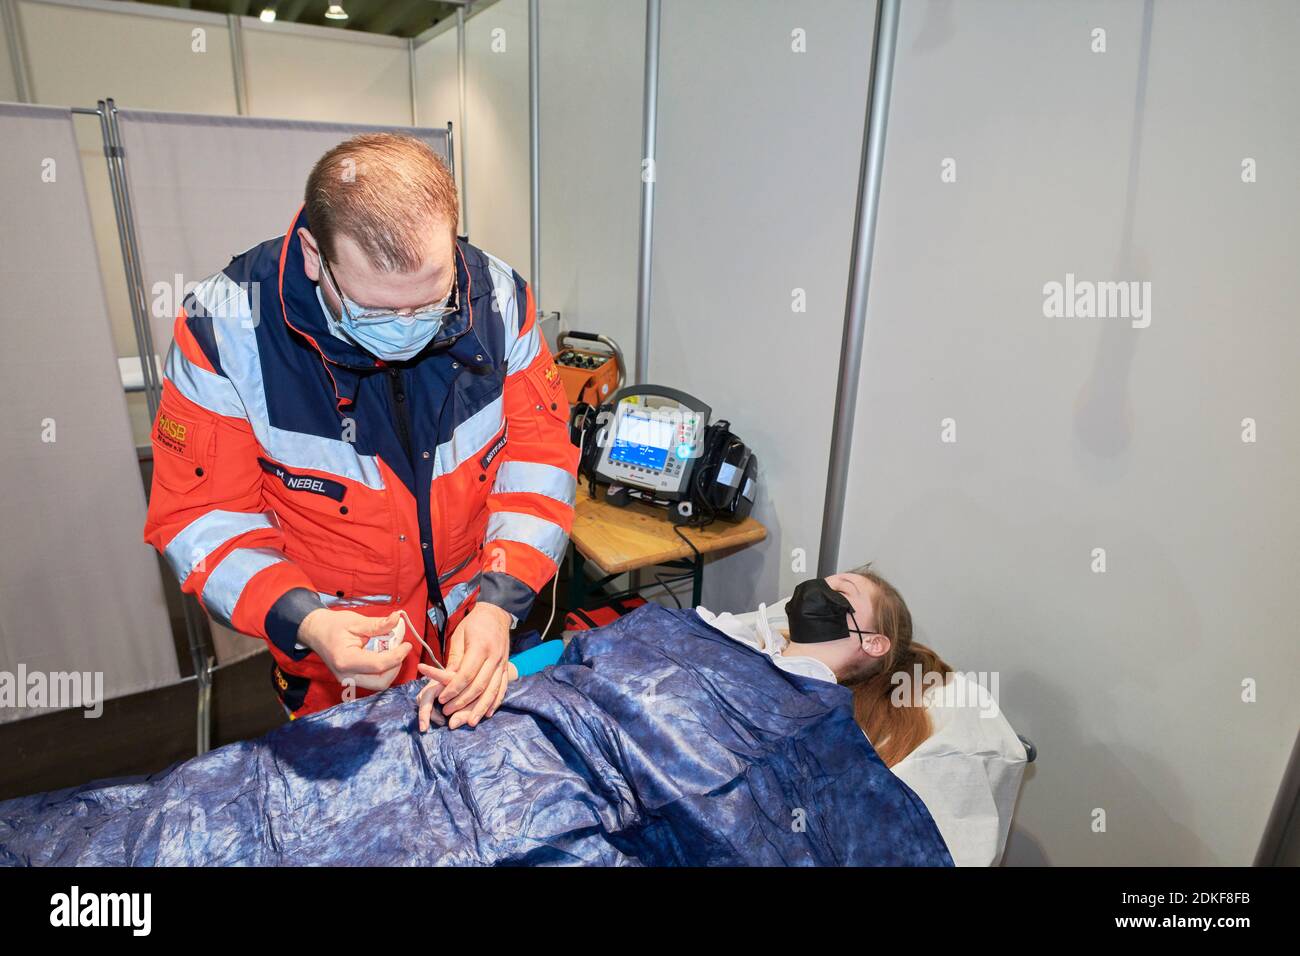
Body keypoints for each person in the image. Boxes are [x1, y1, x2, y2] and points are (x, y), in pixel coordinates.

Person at [144, 133, 579, 727]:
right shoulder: (226, 329)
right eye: (377, 310)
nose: (408, 328)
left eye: (429, 303)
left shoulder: (496, 299)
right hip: (334, 661)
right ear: (312, 256)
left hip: (477, 635)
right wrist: (305, 619)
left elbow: (538, 460)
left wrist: (499, 603)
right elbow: (202, 515)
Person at [697, 563, 1027, 865]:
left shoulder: (843, 727)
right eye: (822, 583)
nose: (818, 590)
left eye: (839, 592)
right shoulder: (739, 639)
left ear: (874, 644)